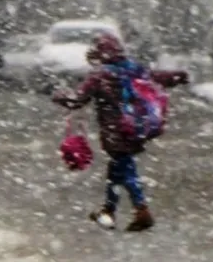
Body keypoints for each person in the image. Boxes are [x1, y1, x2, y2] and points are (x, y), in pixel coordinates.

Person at [51, 33, 188, 232]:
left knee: (126, 170)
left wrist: (60, 96)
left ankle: (142, 211)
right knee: (116, 171)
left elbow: (77, 100)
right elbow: (159, 78)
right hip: (136, 127)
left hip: (116, 132)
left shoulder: (100, 75)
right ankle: (108, 212)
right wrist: (178, 76)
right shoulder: (134, 69)